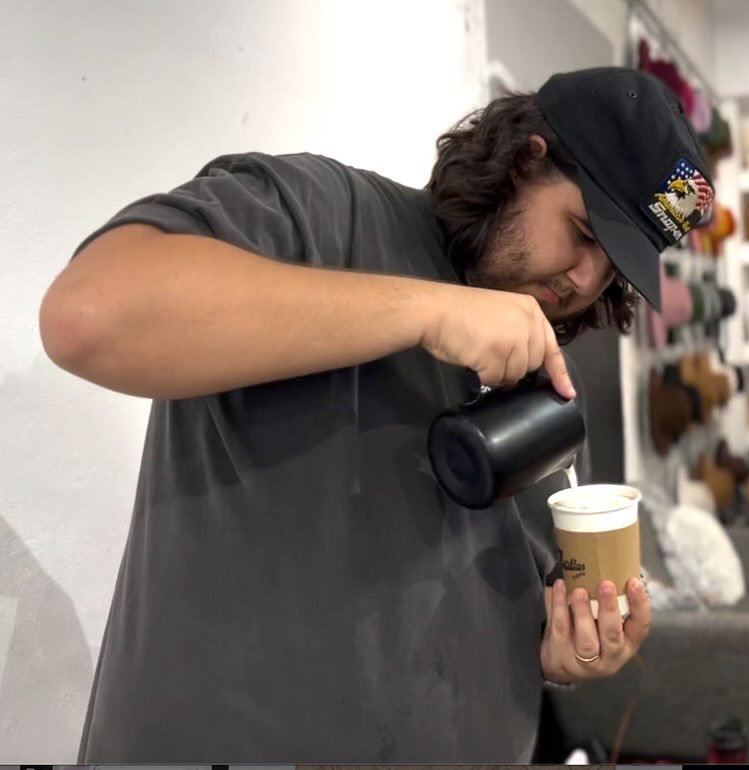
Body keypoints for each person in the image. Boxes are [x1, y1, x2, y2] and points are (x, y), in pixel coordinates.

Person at [39, 67, 714, 762]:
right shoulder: (329, 218)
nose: (584, 279)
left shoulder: (543, 373)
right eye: (582, 231)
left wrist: (561, 648)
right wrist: (427, 312)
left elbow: (511, 602)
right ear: (524, 159)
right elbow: (88, 315)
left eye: (614, 268)